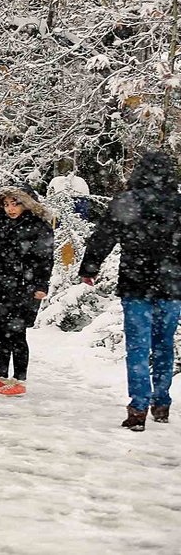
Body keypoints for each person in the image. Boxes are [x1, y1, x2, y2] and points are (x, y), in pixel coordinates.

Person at [79, 151, 181, 431]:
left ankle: (138, 407)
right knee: (163, 345)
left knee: (138, 347)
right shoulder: (178, 204)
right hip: (172, 285)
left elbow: (103, 236)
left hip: (137, 283)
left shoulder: (126, 201)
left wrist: (90, 267)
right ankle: (162, 402)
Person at [0, 186, 54, 397]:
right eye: (6, 204)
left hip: (22, 286)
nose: (10, 209)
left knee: (16, 333)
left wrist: (40, 285)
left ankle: (19, 380)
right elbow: (1, 250)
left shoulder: (38, 227)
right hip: (0, 285)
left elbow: (45, 259)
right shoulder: (7, 226)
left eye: (15, 203)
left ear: (27, 203)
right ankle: (0, 376)